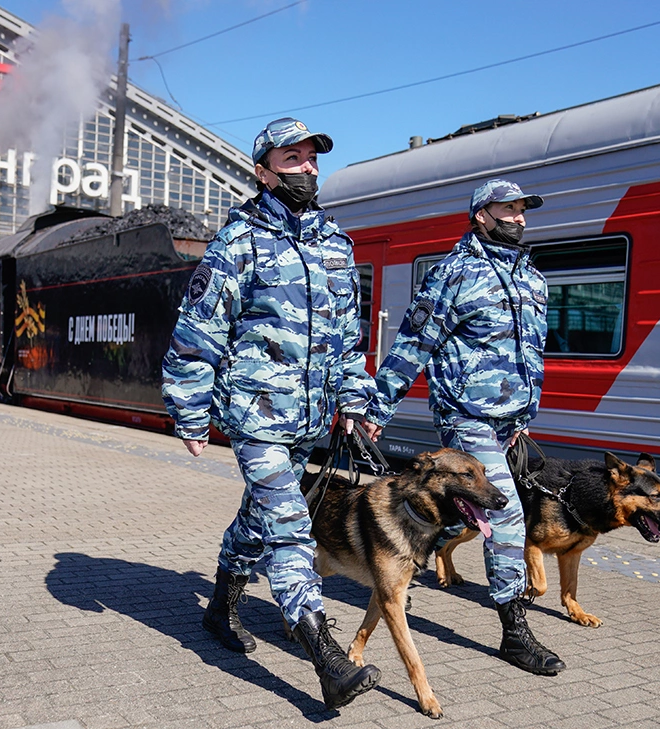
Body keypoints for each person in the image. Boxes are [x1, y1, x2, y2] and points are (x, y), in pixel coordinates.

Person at [162, 118, 384, 711]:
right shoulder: (237, 242)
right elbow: (199, 329)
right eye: (293, 158)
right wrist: (189, 409)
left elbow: (345, 337)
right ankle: (325, 656)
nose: (308, 166)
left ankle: (220, 602)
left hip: (308, 417)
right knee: (289, 526)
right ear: (263, 171)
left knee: (260, 518)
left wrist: (356, 401)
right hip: (255, 412)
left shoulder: (335, 243)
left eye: (312, 157)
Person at [367, 179, 564, 676]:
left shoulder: (532, 278)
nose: (519, 217)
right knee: (507, 517)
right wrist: (377, 409)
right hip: (466, 416)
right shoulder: (452, 274)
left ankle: (394, 574)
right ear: (481, 215)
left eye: (523, 210)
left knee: (456, 518)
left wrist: (521, 418)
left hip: (508, 424)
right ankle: (514, 632)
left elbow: (530, 354)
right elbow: (413, 342)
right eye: (509, 209)